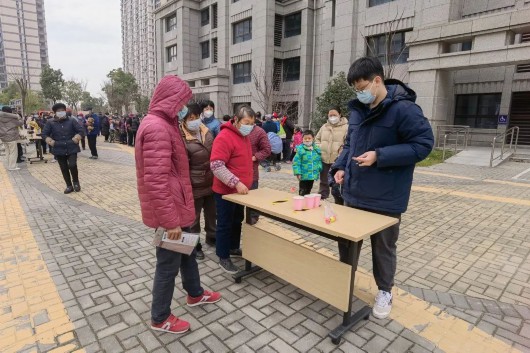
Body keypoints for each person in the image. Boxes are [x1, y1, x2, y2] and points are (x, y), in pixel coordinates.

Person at [332, 57, 434, 319]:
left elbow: (423, 145)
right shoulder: (357, 110)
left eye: (362, 86)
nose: (360, 93)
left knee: (384, 248)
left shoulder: (404, 110)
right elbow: (350, 144)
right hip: (354, 193)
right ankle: (344, 282)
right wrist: (340, 167)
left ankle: (385, 291)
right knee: (348, 244)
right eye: (355, 88)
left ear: (377, 80)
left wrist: (380, 155)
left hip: (385, 198)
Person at [135, 75, 221, 335]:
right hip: (170, 212)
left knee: (188, 251)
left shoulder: (166, 123)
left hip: (179, 206)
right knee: (168, 265)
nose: (186, 108)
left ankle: (194, 293)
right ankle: (160, 317)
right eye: (182, 102)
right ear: (171, 99)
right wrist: (170, 222)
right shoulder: (157, 128)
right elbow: (157, 181)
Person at [210, 106, 254, 274]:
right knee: (225, 224)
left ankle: (234, 248)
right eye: (246, 123)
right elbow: (216, 166)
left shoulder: (244, 137)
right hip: (225, 192)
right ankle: (223, 256)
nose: (249, 126)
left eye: (252, 123)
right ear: (236, 120)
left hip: (240, 193)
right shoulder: (224, 137)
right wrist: (236, 182)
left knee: (237, 221)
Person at [180, 103, 216, 261]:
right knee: (193, 219)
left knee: (211, 214)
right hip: (193, 185)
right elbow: (182, 166)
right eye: (190, 118)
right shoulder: (181, 137)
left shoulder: (207, 132)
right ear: (184, 120)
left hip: (211, 181)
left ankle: (212, 237)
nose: (194, 121)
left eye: (196, 117)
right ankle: (195, 246)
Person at [42, 103, 85, 194]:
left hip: (72, 146)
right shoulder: (50, 122)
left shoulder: (71, 120)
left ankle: (76, 182)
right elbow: (44, 134)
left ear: (65, 111)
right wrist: (51, 142)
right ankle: (69, 186)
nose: (61, 112)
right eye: (59, 111)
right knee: (64, 168)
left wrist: (76, 138)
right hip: (58, 147)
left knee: (72, 165)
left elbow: (81, 130)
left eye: (62, 111)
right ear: (55, 113)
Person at [315, 106, 348, 201]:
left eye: (335, 115)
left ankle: (339, 199)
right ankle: (322, 196)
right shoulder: (324, 127)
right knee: (323, 180)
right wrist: (320, 147)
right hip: (324, 158)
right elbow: (317, 139)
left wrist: (342, 152)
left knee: (336, 182)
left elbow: (348, 142)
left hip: (338, 160)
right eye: (330, 115)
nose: (332, 117)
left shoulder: (346, 127)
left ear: (340, 115)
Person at [247, 116, 271, 224]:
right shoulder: (236, 130)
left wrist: (255, 156)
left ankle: (253, 216)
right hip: (236, 172)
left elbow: (266, 149)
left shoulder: (259, 132)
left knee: (253, 196)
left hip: (252, 171)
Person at [293, 130, 322, 196]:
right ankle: (301, 201)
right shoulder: (300, 150)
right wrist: (298, 173)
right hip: (303, 175)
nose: (307, 140)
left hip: (312, 175)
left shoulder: (316, 149)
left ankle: (307, 202)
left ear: (313, 138)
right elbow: (296, 163)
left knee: (309, 189)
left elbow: (319, 160)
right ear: (302, 139)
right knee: (303, 190)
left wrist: (319, 167)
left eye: (309, 138)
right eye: (305, 138)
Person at [0, 106, 23, 171]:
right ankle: (12, 167)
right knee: (13, 152)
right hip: (11, 137)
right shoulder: (13, 118)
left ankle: (9, 166)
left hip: (3, 137)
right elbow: (20, 123)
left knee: (7, 152)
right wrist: (20, 118)